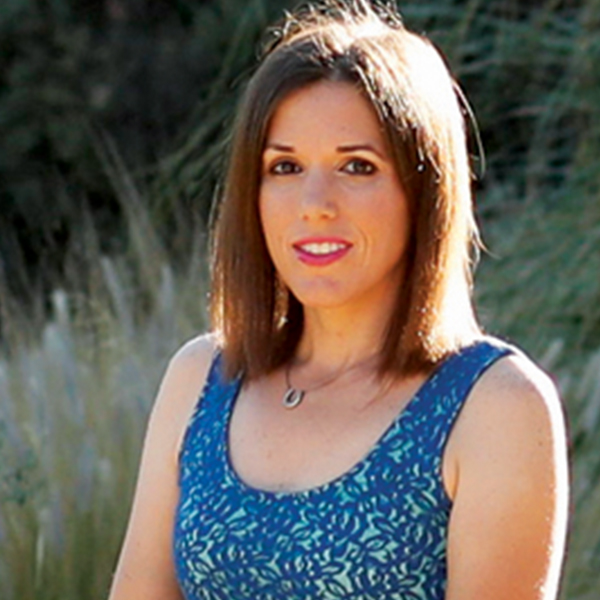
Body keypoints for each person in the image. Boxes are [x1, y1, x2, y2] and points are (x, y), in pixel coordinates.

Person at [107, 1, 569, 599]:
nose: (315, 203)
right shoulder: (200, 380)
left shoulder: (495, 407)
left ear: (423, 192)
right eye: (285, 166)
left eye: (357, 166)